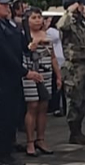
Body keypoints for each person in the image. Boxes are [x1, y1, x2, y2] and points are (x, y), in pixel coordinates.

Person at [0, 0, 35, 165]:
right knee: (2, 118)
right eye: (3, 4)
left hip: (13, 78)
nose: (7, 7)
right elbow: (3, 53)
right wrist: (24, 71)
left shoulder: (8, 23)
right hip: (1, 78)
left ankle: (8, 149)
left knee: (12, 116)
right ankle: (0, 155)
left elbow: (19, 46)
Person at [57, 0, 85, 145]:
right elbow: (61, 25)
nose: (82, 6)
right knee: (75, 99)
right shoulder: (68, 21)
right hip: (74, 65)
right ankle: (74, 132)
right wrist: (69, 11)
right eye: (79, 4)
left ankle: (79, 130)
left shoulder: (82, 22)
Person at [21, 8, 58, 157]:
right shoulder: (23, 36)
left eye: (39, 17)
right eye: (34, 17)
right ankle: (30, 141)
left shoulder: (47, 36)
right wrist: (34, 44)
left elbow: (53, 57)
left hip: (46, 72)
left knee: (44, 105)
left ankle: (40, 139)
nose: (37, 20)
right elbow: (24, 52)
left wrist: (58, 75)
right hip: (30, 73)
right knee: (33, 105)